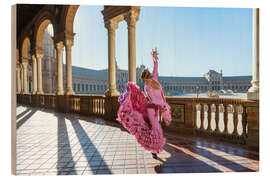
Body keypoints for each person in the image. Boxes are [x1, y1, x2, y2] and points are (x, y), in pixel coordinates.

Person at [117, 49, 171, 159]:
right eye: (144, 81)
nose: (145, 83)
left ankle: (154, 149)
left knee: (154, 128)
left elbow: (155, 69)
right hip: (151, 109)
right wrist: (164, 105)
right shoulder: (147, 87)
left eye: (146, 80)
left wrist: (155, 59)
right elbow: (153, 101)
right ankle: (154, 149)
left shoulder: (154, 80)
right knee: (156, 128)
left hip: (156, 109)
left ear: (149, 77)